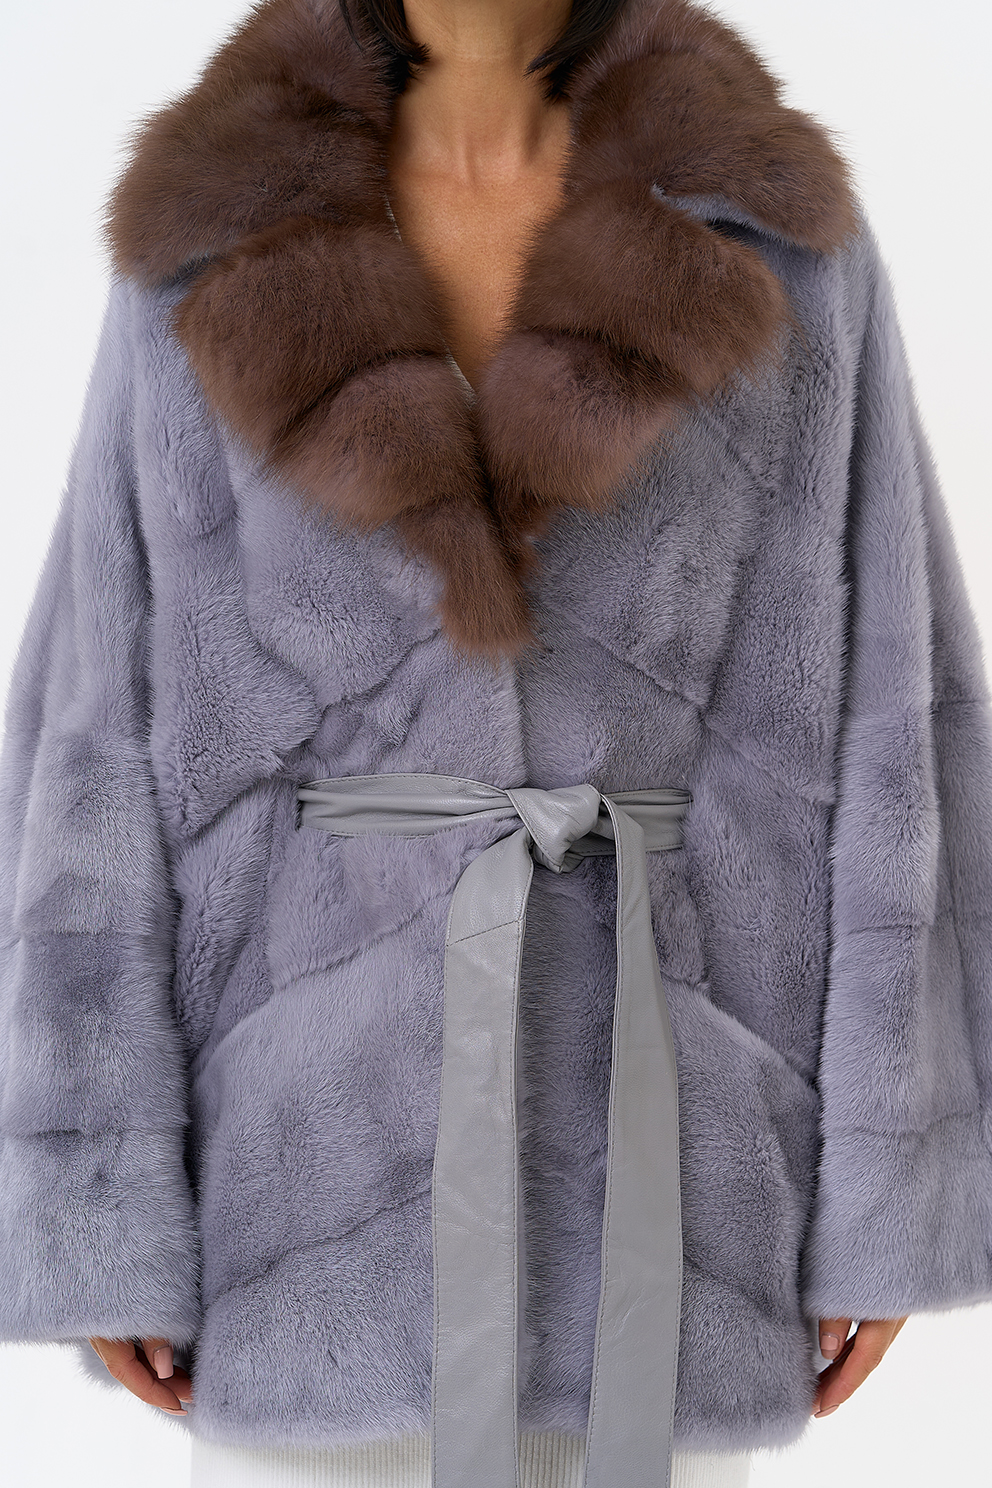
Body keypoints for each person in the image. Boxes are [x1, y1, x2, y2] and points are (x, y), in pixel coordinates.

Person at [1, 0, 988, 1485]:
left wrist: (891, 1195)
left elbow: (896, 715)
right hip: (300, 1205)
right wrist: (94, 1209)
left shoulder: (778, 243)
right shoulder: (205, 248)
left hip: (674, 1201)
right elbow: (94, 742)